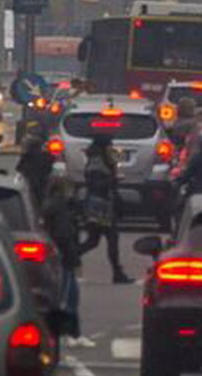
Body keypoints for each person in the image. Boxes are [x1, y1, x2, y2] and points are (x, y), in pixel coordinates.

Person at [42, 176, 93, 348]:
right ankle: (68, 334)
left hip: (56, 256)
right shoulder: (60, 207)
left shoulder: (50, 205)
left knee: (71, 295)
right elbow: (64, 235)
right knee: (68, 297)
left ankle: (74, 333)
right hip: (63, 258)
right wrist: (75, 259)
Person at [78, 135, 132, 284]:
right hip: (98, 205)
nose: (111, 148)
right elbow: (95, 185)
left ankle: (69, 258)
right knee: (110, 238)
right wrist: (112, 180)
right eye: (109, 145)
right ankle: (117, 273)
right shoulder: (96, 162)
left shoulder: (102, 159)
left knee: (93, 240)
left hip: (103, 204)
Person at [16, 133, 53, 210]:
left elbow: (19, 168)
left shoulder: (26, 157)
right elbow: (49, 167)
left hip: (32, 183)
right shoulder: (45, 156)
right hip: (41, 182)